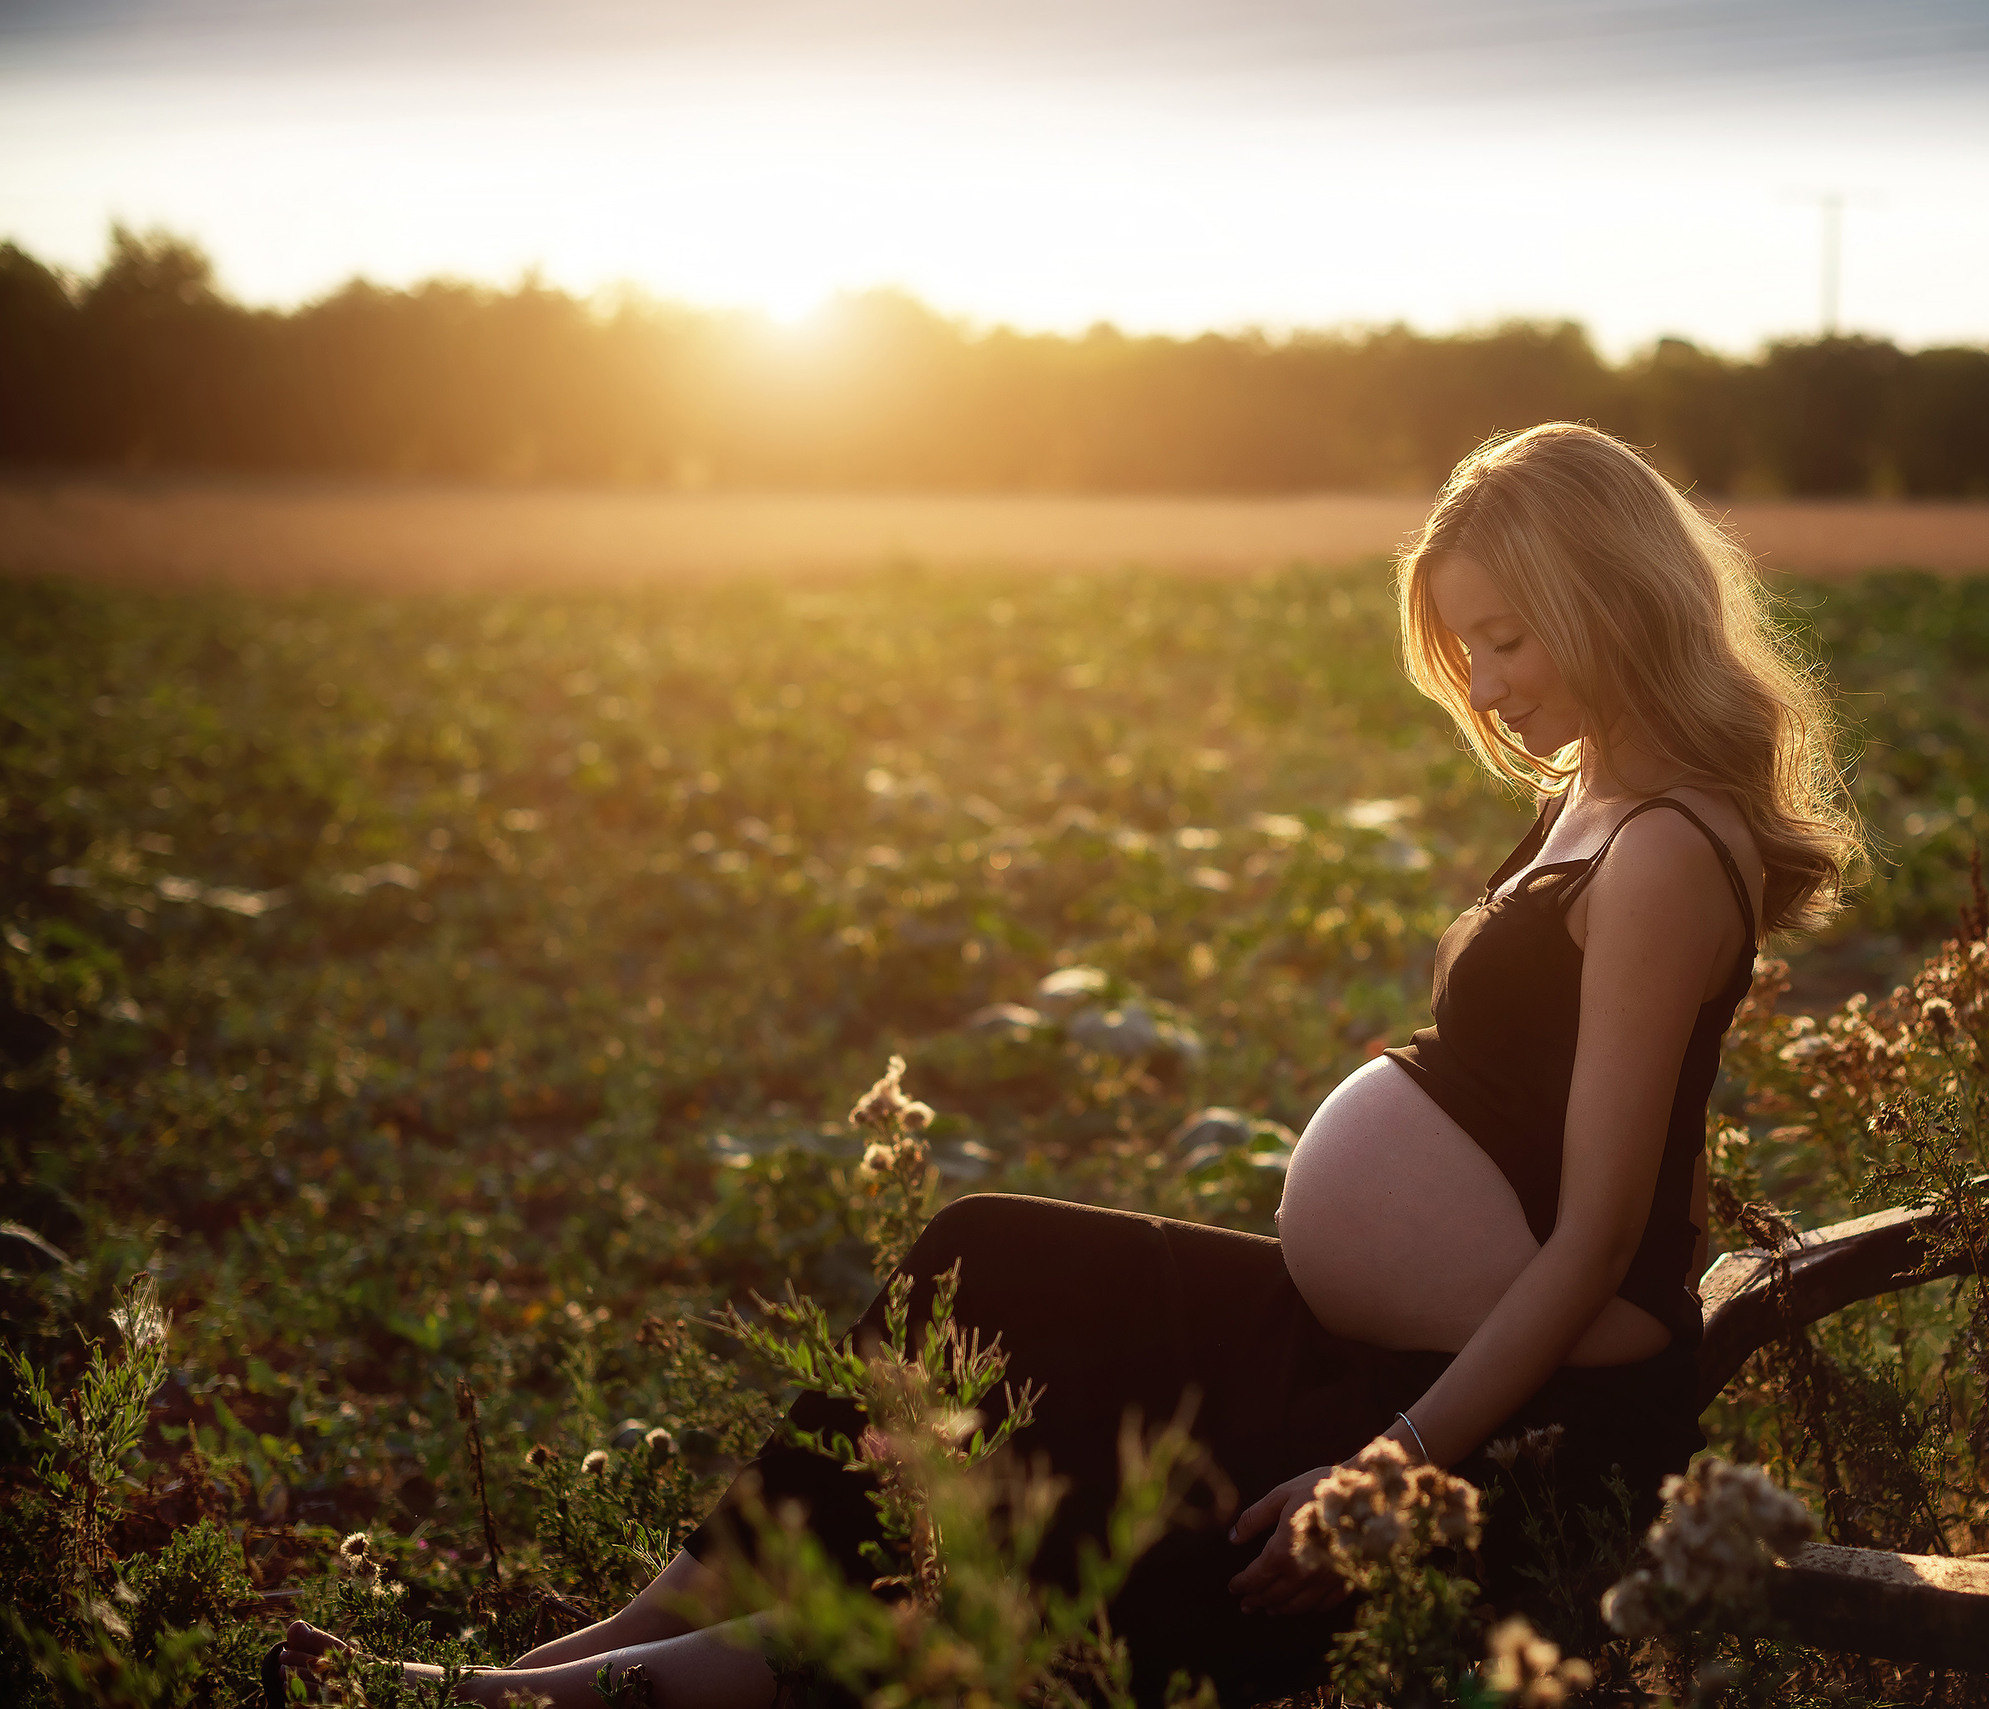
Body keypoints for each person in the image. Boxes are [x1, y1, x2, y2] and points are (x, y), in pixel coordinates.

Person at [276, 422, 1861, 1706]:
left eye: (1509, 639)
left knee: (1035, 1587)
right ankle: (604, 1636)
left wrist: (1383, 1476)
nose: (1493, 688)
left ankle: (513, 1703)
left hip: (1514, 1417)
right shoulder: (1588, 794)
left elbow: (1598, 1241)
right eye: (1469, 650)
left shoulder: (1664, 848)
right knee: (983, 1260)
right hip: (1376, 1342)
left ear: (1602, 593)